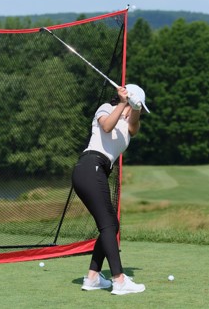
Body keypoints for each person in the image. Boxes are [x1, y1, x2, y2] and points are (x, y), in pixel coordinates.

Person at [72, 84, 150, 295]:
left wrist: (134, 106)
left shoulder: (129, 126)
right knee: (108, 224)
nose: (140, 112)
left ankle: (93, 277)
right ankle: (119, 280)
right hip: (90, 167)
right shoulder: (106, 108)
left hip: (96, 171)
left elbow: (133, 127)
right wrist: (124, 102)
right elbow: (106, 126)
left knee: (111, 225)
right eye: (139, 108)